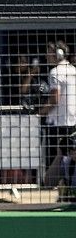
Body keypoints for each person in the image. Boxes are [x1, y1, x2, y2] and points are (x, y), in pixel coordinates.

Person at [39, 41, 76, 170]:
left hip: (58, 124)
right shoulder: (73, 70)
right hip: (72, 122)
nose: (46, 56)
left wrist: (40, 113)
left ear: (58, 54)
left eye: (49, 52)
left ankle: (53, 186)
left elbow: (54, 99)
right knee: (69, 158)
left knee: (55, 159)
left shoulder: (55, 72)